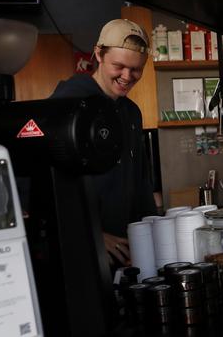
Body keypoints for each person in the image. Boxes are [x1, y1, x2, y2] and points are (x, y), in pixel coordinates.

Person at [51, 19, 157, 266]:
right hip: (84, 255)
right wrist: (91, 235)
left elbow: (141, 181)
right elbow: (45, 190)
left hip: (127, 252)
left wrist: (153, 229)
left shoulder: (131, 112)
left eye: (136, 69)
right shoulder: (68, 103)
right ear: (98, 53)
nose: (127, 77)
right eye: (119, 66)